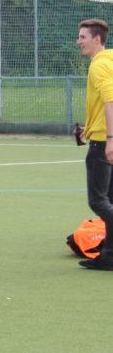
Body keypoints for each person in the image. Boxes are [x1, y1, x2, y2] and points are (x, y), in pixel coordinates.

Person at [76, 18, 113, 271]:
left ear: (97, 39)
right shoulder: (109, 60)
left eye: (82, 37)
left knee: (98, 201)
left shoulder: (99, 65)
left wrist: (109, 139)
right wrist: (87, 129)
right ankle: (108, 256)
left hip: (103, 141)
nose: (78, 42)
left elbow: (110, 101)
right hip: (100, 134)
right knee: (109, 198)